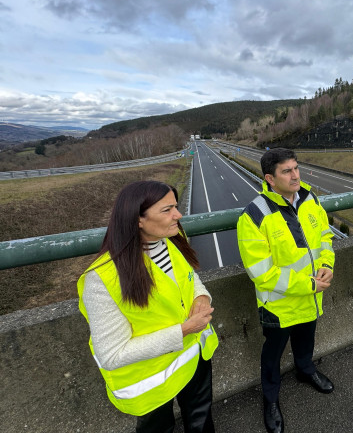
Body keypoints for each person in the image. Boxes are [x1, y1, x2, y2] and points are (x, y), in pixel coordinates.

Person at [78, 181, 218, 433]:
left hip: (195, 357)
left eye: (175, 206)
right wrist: (184, 330)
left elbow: (188, 279)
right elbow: (112, 355)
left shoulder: (171, 240)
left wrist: (201, 298)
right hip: (151, 380)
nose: (178, 215)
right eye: (167, 210)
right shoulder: (102, 279)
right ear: (138, 219)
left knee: (202, 421)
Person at [237, 148, 335, 433]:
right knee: (272, 356)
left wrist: (327, 263)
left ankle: (306, 371)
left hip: (311, 297)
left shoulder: (310, 198)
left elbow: (326, 237)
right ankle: (270, 400)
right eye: (286, 171)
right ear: (269, 178)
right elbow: (261, 273)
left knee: (306, 342)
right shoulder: (254, 215)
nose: (295, 175)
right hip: (279, 306)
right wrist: (308, 285)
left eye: (296, 168)